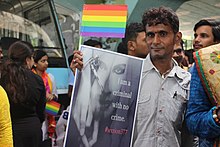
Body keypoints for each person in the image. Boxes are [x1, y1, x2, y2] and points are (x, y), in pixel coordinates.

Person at [72, 6, 191, 147]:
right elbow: (98, 113)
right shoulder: (127, 75)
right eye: (150, 35)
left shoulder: (186, 81)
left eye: (163, 34)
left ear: (177, 37)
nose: (155, 41)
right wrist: (82, 76)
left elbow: (189, 135)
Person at [0, 41, 46, 147]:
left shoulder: (3, 77)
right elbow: (41, 110)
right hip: (32, 130)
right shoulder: (37, 79)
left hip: (9, 132)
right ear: (27, 60)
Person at [185, 19, 220, 147]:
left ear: (217, 42)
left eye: (203, 36)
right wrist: (217, 117)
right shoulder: (198, 69)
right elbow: (193, 121)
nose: (196, 40)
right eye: (195, 36)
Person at [32, 50, 58, 143]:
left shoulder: (50, 77)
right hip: (35, 114)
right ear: (35, 63)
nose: (46, 63)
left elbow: (56, 95)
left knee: (45, 137)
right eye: (43, 61)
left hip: (47, 114)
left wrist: (52, 96)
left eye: (47, 61)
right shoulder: (30, 77)